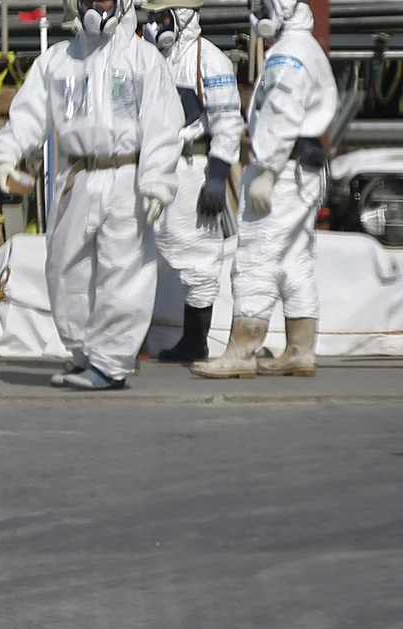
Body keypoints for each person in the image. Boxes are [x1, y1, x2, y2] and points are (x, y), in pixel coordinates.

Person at [0, 0, 183, 390]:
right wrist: (6, 157)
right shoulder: (59, 61)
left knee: (122, 271)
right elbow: (28, 115)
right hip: (77, 176)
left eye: (105, 0)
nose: (96, 6)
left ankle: (110, 363)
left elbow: (163, 124)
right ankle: (84, 353)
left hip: (126, 178)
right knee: (64, 267)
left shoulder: (144, 59)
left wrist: (158, 181)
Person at [192, 0, 336, 379]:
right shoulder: (304, 47)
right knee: (294, 260)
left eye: (262, 4)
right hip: (301, 169)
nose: (256, 12)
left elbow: (281, 113)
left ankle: (242, 350)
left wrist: (267, 171)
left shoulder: (287, 54)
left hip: (283, 169)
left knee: (257, 256)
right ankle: (300, 349)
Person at [142, 0, 243, 363]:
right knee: (140, 251)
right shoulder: (153, 57)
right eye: (150, 17)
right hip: (154, 165)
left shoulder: (209, 60)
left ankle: (196, 340)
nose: (153, 24)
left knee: (197, 255)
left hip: (191, 168)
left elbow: (228, 122)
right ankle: (131, 338)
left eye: (160, 16)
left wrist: (216, 175)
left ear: (181, 16)